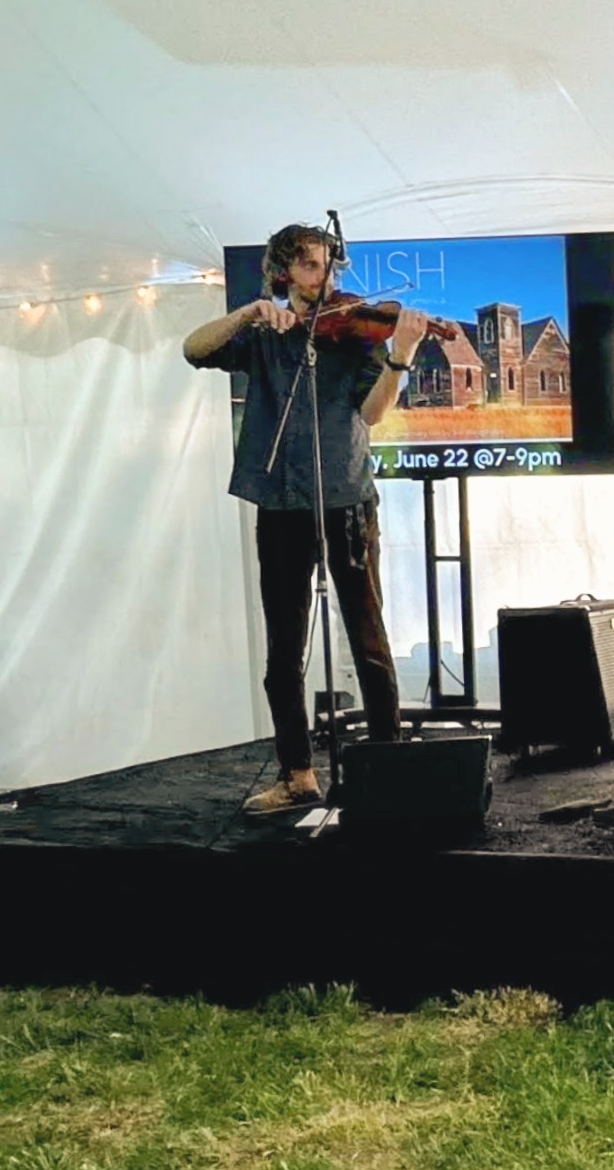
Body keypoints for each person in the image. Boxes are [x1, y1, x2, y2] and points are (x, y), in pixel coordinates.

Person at [183, 223, 432, 813]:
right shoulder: (263, 334)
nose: (324, 277)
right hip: (281, 504)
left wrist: (400, 356)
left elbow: (371, 414)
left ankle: (387, 766)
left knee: (369, 641)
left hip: (346, 498)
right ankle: (298, 774)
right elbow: (195, 349)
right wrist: (249, 314)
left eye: (327, 265)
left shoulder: (353, 332)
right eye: (311, 266)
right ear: (284, 273)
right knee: (283, 650)